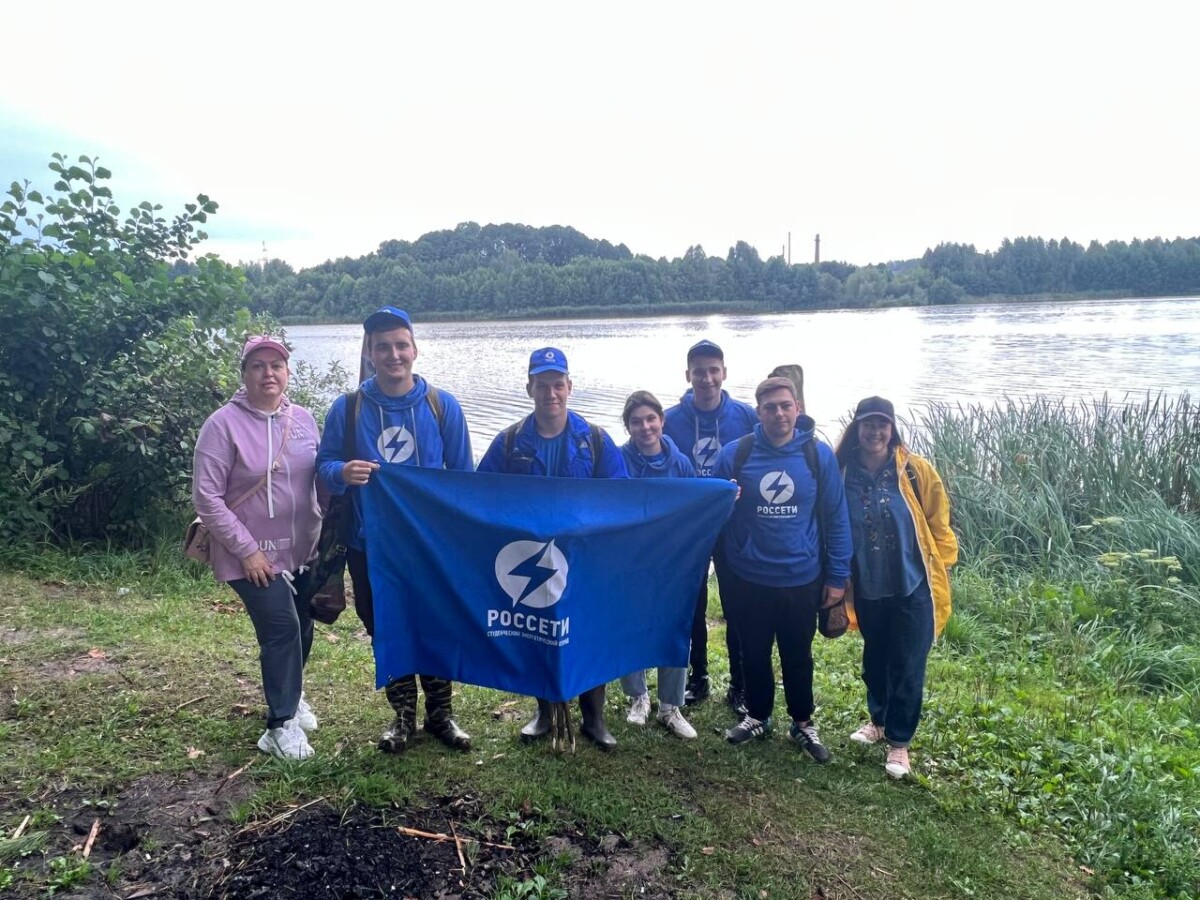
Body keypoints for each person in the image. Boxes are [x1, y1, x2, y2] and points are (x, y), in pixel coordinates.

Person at [317, 306, 474, 753]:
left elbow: (463, 479)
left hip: (430, 548)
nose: (393, 354)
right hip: (370, 544)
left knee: (437, 624)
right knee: (385, 625)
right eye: (382, 346)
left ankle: (441, 715)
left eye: (401, 345)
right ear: (369, 352)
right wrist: (342, 471)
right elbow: (322, 466)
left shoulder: (442, 407)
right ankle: (402, 717)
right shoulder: (348, 408)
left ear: (415, 349)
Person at [478, 347, 629, 749]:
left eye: (558, 384)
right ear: (529, 388)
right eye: (542, 385)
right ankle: (544, 714)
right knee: (539, 632)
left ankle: (594, 719)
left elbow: (622, 495)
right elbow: (479, 495)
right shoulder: (509, 441)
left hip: (585, 559)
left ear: (570, 387)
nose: (551, 393)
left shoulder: (594, 440)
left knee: (587, 631)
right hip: (530, 555)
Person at [193, 336, 322, 760]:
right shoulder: (222, 424)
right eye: (258, 366)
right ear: (244, 373)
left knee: (303, 626)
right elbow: (207, 498)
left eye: (276, 365)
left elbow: (317, 479)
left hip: (301, 550)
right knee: (281, 628)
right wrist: (247, 550)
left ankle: (292, 690)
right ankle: (280, 725)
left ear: (287, 373)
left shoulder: (303, 419)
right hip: (248, 553)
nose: (268, 373)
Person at [712, 376, 852, 762]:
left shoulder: (817, 455)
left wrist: (837, 577)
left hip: (802, 577)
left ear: (798, 408)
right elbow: (712, 514)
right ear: (758, 412)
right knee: (752, 651)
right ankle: (757, 715)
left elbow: (836, 518)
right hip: (748, 576)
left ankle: (803, 723)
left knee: (797, 653)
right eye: (770, 407)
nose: (779, 413)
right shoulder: (735, 455)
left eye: (785, 406)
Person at [834, 396, 958, 778]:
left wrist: (943, 566)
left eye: (882, 424)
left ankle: (899, 744)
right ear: (857, 429)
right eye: (868, 424)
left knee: (907, 665)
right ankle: (879, 721)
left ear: (892, 428)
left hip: (913, 585)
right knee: (875, 661)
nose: (875, 432)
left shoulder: (915, 471)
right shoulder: (841, 472)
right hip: (869, 587)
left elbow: (939, 521)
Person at [662, 340, 758, 712]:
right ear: (688, 375)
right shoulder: (669, 419)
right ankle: (698, 677)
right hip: (691, 529)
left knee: (737, 606)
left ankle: (740, 683)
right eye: (699, 371)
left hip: (735, 526)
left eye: (713, 370)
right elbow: (645, 451)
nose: (706, 378)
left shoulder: (746, 416)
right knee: (693, 604)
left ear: (724, 373)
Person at [617, 391, 699, 740]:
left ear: (662, 421)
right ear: (628, 427)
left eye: (651, 419)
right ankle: (638, 697)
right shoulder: (617, 459)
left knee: (673, 628)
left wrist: (726, 493)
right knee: (630, 626)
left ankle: (670, 706)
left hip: (672, 561)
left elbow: (698, 501)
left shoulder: (679, 463)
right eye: (637, 421)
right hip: (631, 561)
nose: (645, 427)